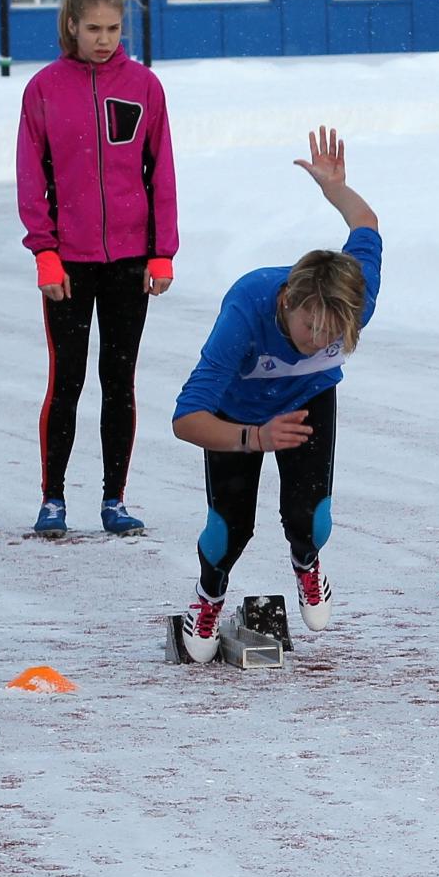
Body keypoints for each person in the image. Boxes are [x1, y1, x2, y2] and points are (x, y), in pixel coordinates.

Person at [172, 128, 381, 663]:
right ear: (287, 300)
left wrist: (336, 188)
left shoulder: (352, 298)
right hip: (236, 414)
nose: (321, 341)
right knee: (230, 528)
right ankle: (209, 596)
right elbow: (186, 418)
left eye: (334, 335)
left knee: (310, 518)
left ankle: (306, 562)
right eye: (311, 329)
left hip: (308, 401)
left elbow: (366, 224)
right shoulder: (245, 312)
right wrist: (253, 437)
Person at [16, 0, 178, 536]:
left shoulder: (144, 87)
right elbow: (30, 177)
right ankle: (53, 499)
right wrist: (45, 252)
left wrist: (162, 254)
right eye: (93, 29)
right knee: (67, 380)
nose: (104, 39)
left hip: (129, 262)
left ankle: (114, 499)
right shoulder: (43, 89)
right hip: (67, 262)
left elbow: (162, 177)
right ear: (71, 27)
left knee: (119, 378)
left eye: (112, 29)